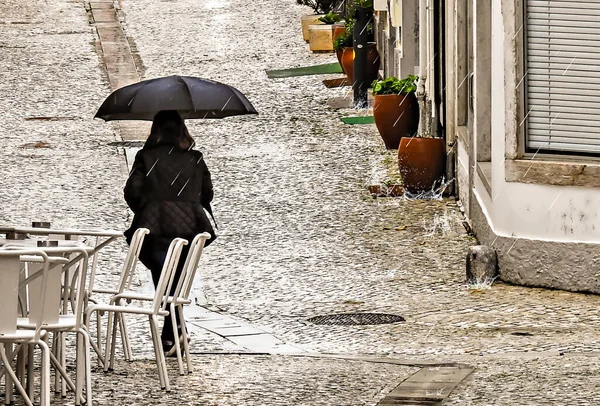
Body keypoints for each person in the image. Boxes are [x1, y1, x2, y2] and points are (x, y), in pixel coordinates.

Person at [123, 110, 216, 354]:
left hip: (155, 227)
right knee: (177, 279)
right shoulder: (194, 158)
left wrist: (150, 207)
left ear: (155, 131)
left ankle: (172, 332)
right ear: (182, 131)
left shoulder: (146, 156)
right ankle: (174, 330)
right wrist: (187, 201)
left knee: (163, 278)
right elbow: (207, 193)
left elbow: (131, 191)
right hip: (190, 228)